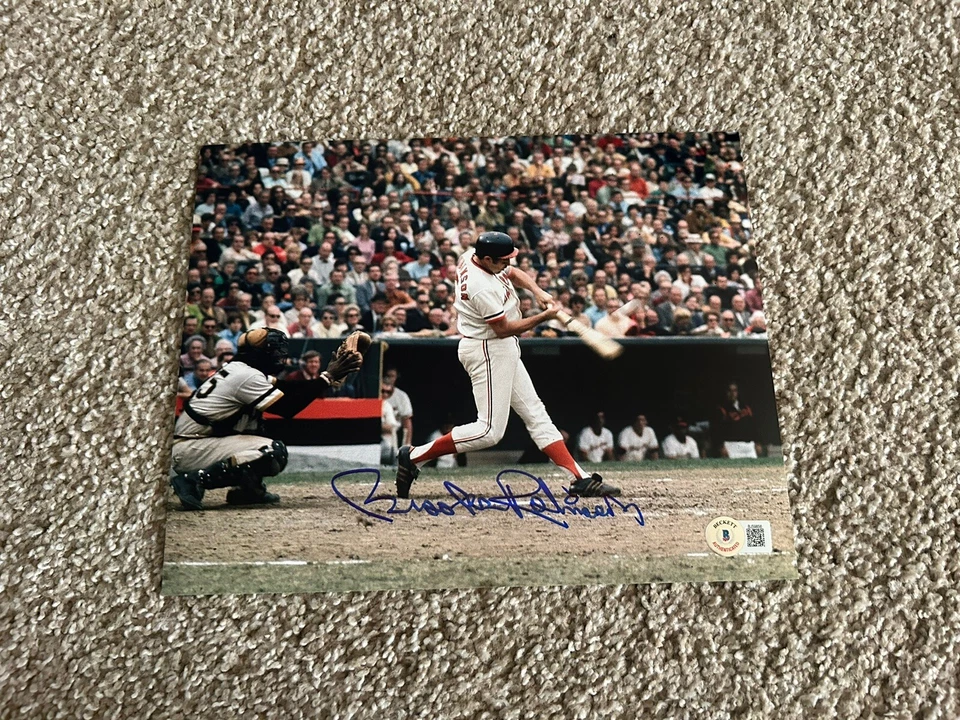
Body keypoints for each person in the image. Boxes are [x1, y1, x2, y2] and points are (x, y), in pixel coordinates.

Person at [393, 232, 621, 498]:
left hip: (500, 347)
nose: (507, 263)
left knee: (536, 413)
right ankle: (414, 455)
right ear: (487, 259)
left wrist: (537, 291)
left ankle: (579, 478)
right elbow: (502, 329)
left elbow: (512, 272)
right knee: (489, 431)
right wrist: (544, 316)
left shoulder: (475, 256)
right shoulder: (481, 286)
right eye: (501, 260)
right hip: (487, 349)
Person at [169, 329, 364, 510]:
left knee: (258, 427)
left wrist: (326, 377)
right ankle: (193, 481)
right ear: (258, 354)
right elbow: (288, 407)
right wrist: (328, 377)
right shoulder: (246, 376)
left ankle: (248, 490)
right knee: (272, 451)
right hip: (191, 447)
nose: (278, 356)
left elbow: (289, 388)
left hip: (197, 441)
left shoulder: (240, 369)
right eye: (273, 351)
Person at [713, 382, 761, 458]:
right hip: (731, 445)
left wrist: (757, 442)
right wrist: (721, 446)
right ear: (726, 392)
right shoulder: (721, 409)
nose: (732, 393)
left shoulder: (746, 407)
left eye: (734, 391)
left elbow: (753, 426)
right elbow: (717, 429)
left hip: (748, 445)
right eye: (730, 391)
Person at [382, 367, 413, 448]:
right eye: (387, 375)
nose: (389, 378)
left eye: (392, 376)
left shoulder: (401, 396)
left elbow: (407, 422)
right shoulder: (375, 394)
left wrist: (407, 445)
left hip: (393, 436)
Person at [380, 383, 401, 465]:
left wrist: (375, 426)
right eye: (383, 391)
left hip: (386, 444)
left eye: (388, 392)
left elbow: (390, 428)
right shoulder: (369, 402)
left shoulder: (386, 406)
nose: (385, 394)